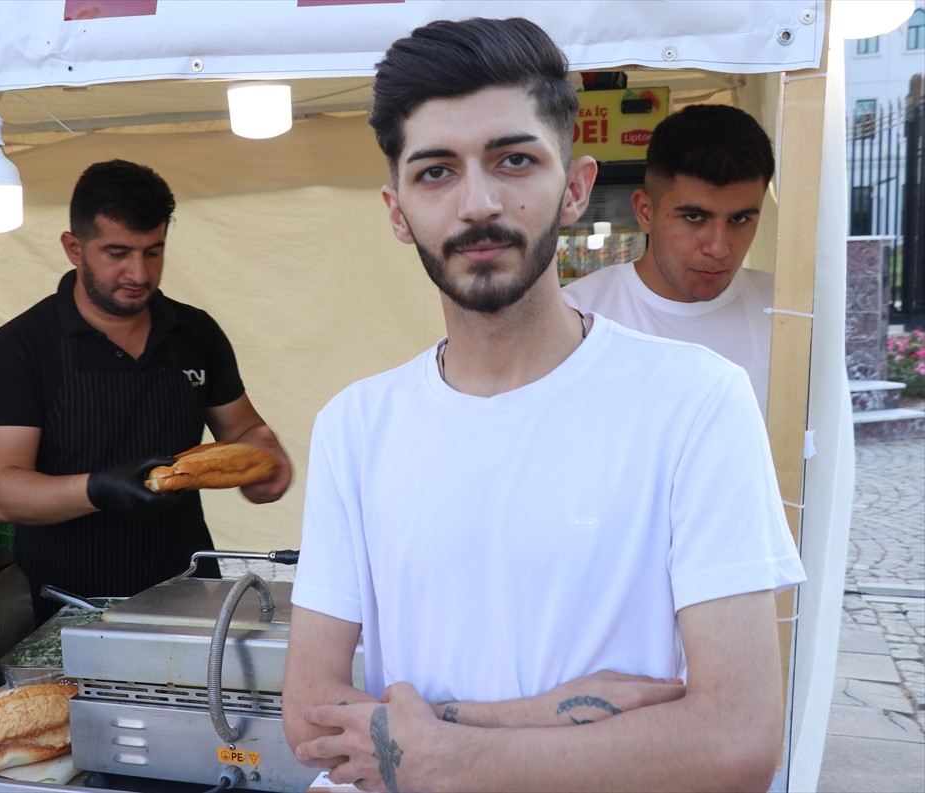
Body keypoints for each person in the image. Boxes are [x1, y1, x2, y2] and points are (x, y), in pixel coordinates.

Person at [282, 17, 805, 792]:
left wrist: (442, 750)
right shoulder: (356, 425)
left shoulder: (695, 401)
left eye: (515, 160)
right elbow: (312, 719)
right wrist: (543, 715)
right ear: (398, 213)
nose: (478, 202)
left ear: (576, 188)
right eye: (436, 173)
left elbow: (739, 741)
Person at [0, 159, 292, 625]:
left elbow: (243, 428)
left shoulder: (195, 332)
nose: (139, 274)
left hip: (187, 590)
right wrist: (99, 488)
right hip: (64, 603)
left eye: (153, 252)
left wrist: (264, 464)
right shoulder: (22, 346)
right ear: (73, 248)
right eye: (118, 253)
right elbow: (2, 491)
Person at [563, 103, 776, 419]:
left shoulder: (786, 312)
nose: (718, 247)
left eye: (740, 219)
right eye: (694, 217)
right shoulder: (573, 317)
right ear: (645, 212)